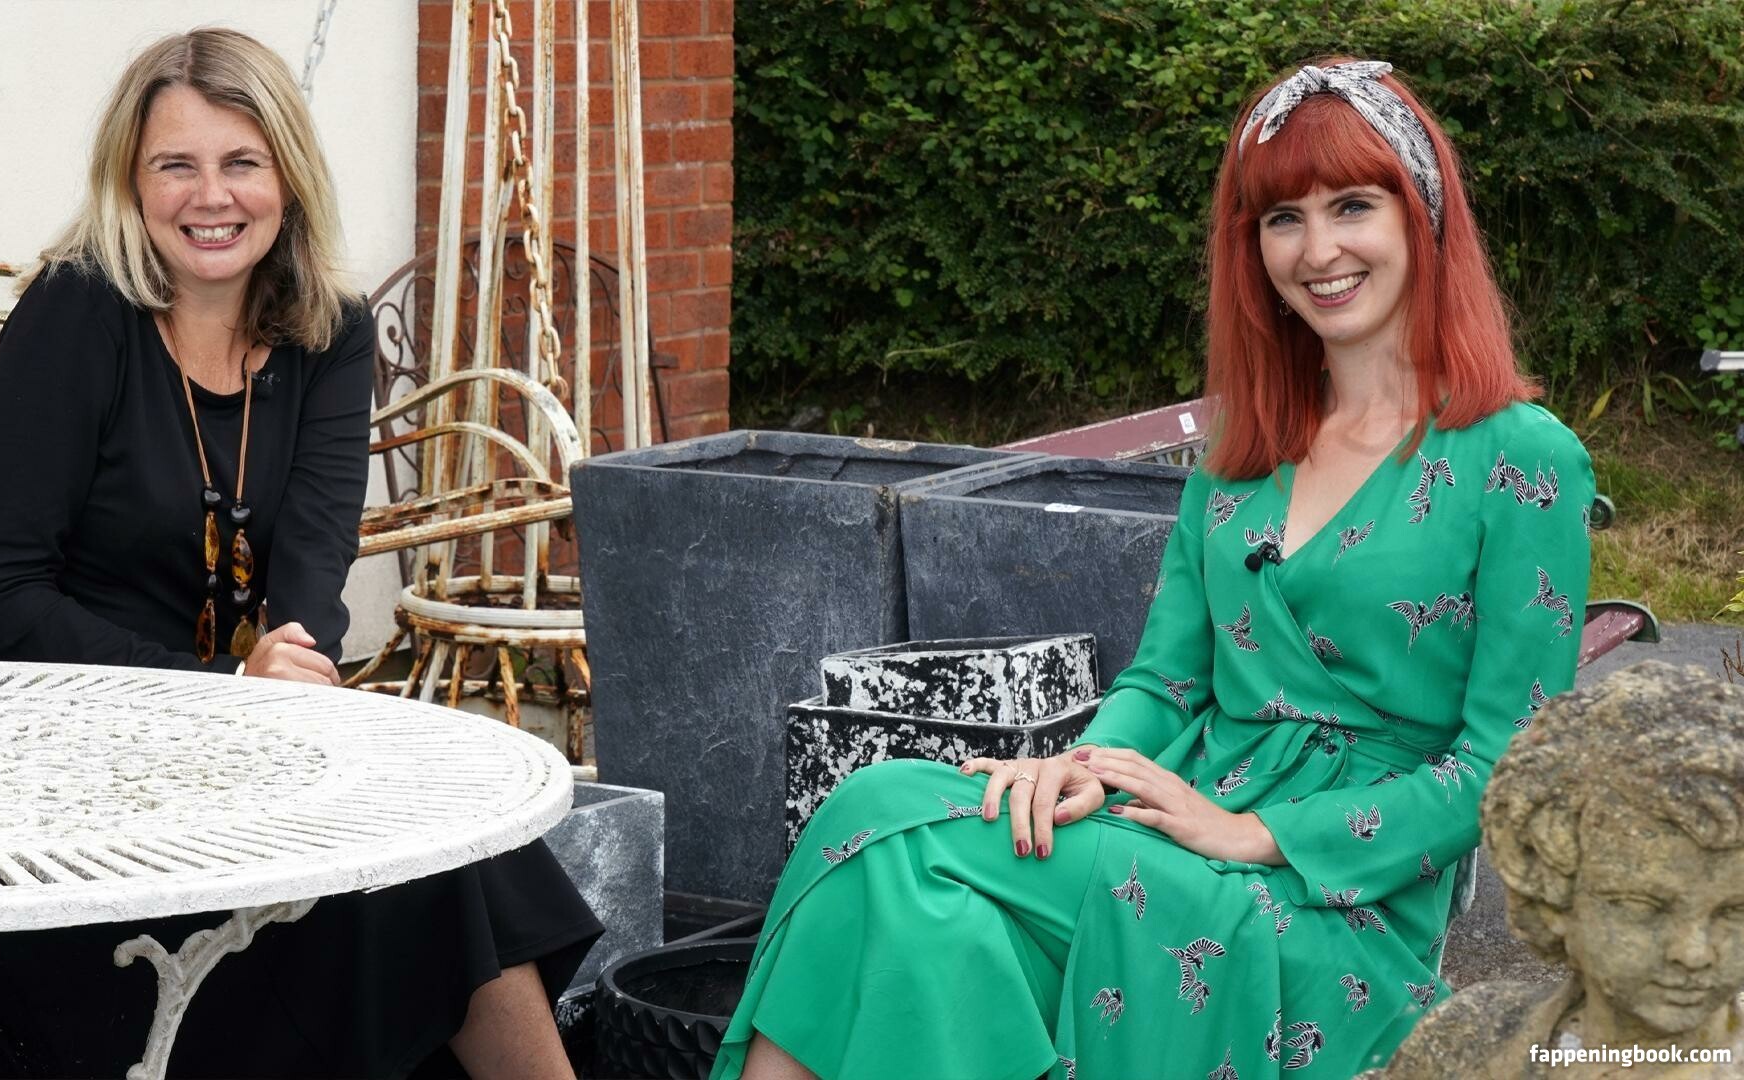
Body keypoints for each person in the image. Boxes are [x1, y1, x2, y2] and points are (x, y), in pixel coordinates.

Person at [714, 59, 1595, 1080]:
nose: (1318, 251)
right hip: (1171, 826)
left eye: (1353, 206)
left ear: (1423, 216)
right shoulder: (1242, 453)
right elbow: (1168, 680)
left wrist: (1258, 832)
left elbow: (1505, 772)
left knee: (878, 825)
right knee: (927, 924)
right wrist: (1075, 767)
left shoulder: (1522, 459)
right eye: (1284, 219)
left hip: (1329, 908)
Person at [0, 28, 600, 1079]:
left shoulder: (327, 328)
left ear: (286, 174)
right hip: (52, 764)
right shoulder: (75, 315)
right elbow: (3, 592)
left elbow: (312, 576)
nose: (212, 197)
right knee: (414, 887)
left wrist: (270, 698)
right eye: (176, 165)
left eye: (241, 161)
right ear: (130, 180)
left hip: (234, 745)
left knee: (443, 850)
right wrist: (224, 690)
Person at [1382, 661, 1744, 1080]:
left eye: (1734, 911)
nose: (1693, 953)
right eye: (1644, 906)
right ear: (1555, 889)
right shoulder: (1463, 1043)